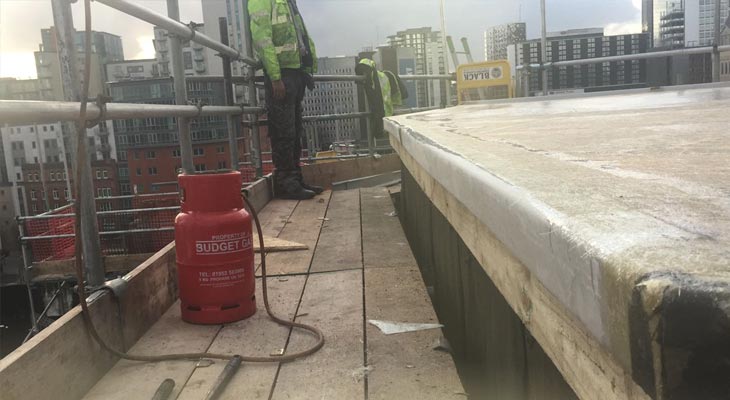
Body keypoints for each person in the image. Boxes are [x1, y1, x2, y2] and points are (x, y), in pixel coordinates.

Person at [249, 0, 324, 200]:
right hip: (281, 75)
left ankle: (295, 179)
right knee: (283, 131)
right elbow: (262, 39)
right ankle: (286, 183)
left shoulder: (286, 2)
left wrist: (305, 70)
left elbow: (299, 36)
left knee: (295, 130)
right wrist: (275, 76)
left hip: (294, 72)